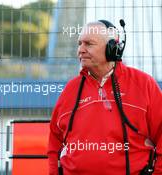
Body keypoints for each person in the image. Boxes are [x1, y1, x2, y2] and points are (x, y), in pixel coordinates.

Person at [48, 20, 162, 175]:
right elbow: (54, 143)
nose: (80, 50)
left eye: (88, 44)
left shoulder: (144, 84)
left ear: (112, 48)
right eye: (79, 43)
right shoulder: (70, 90)